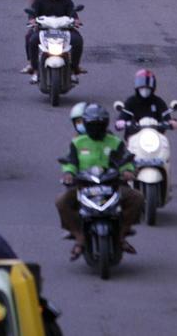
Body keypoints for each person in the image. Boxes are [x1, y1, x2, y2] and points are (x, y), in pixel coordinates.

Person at [56, 103, 143, 259]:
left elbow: (125, 160)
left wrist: (128, 171)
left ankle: (122, 234)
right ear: (86, 124)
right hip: (84, 186)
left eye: (99, 124)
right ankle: (78, 236)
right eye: (92, 124)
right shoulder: (78, 142)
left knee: (137, 198)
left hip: (112, 185)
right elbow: (71, 162)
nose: (96, 128)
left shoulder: (114, 142)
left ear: (105, 124)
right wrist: (68, 173)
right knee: (61, 202)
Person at [22, 0, 83, 79]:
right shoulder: (39, 0)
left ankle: (74, 68)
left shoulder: (66, 1)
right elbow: (32, 13)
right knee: (31, 39)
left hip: (64, 30)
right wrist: (32, 20)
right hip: (43, 30)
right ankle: (34, 67)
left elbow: (73, 14)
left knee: (78, 40)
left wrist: (76, 21)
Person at [116, 69, 177, 133]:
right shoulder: (131, 101)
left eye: (148, 85)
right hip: (134, 135)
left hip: (156, 136)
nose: (145, 88)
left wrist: (172, 122)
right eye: (141, 85)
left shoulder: (158, 102)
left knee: (165, 143)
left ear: (153, 86)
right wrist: (121, 123)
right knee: (122, 143)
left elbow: (166, 117)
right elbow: (123, 116)